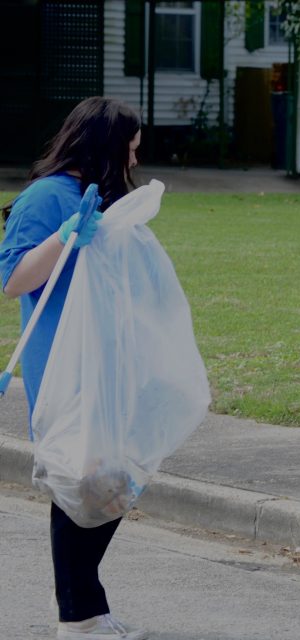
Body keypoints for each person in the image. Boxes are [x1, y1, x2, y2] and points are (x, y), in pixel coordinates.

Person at [1, 97, 147, 639]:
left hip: (105, 366)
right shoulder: (45, 197)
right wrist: (62, 236)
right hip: (64, 369)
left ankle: (80, 600)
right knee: (81, 485)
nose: (135, 159)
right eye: (131, 148)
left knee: (112, 484)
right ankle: (80, 617)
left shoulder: (104, 200)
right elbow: (13, 279)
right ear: (107, 146)